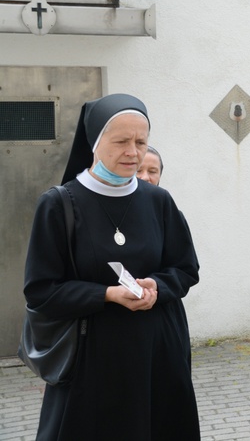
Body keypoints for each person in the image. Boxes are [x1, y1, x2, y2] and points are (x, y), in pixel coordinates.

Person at [24, 94, 201, 440]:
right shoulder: (59, 204)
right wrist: (106, 294)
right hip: (94, 358)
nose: (133, 153)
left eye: (141, 142)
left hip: (158, 353)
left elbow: (185, 268)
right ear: (94, 142)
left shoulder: (158, 200)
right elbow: (41, 290)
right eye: (122, 141)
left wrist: (156, 286)